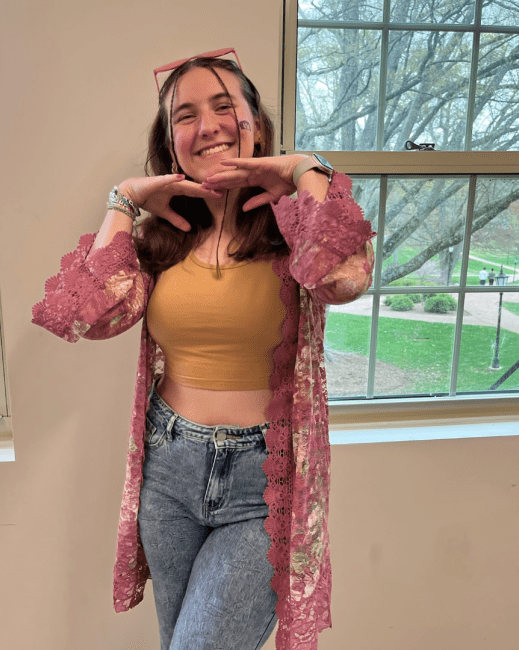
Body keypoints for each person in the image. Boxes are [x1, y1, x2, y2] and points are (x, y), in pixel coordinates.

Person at [32, 49, 375, 650]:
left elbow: (343, 277)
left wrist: (305, 171)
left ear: (257, 124)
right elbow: (86, 313)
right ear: (171, 144)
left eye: (225, 106)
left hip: (260, 483)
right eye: (185, 115)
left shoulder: (296, 230)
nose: (208, 125)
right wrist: (123, 199)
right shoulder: (159, 240)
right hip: (168, 470)